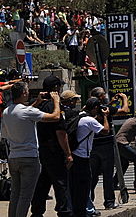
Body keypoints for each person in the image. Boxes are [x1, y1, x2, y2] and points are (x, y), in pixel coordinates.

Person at [1, 82, 62, 217]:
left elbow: (21, 116)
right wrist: (56, 101)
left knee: (15, 194)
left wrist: (37, 102)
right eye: (27, 90)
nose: (29, 93)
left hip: (13, 157)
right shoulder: (28, 111)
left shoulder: (7, 111)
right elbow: (55, 117)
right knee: (25, 195)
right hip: (29, 157)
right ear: (23, 93)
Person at [30, 76, 73, 217]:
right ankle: (64, 211)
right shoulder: (54, 107)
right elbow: (60, 132)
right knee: (61, 183)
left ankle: (37, 211)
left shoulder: (38, 105)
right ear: (55, 88)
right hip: (54, 150)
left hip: (41, 150)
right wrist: (67, 153)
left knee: (43, 182)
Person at [87, 87, 128, 211]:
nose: (106, 96)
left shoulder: (89, 108)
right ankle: (109, 202)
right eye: (104, 95)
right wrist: (124, 99)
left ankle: (89, 202)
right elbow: (125, 111)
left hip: (92, 145)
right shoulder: (105, 110)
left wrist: (110, 103)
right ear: (100, 97)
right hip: (106, 144)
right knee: (107, 174)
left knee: (92, 176)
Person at [71, 98, 110, 217]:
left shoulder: (80, 116)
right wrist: (105, 116)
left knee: (75, 185)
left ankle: (77, 209)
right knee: (84, 185)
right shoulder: (89, 120)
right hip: (82, 156)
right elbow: (105, 131)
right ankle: (84, 211)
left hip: (74, 154)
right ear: (95, 108)